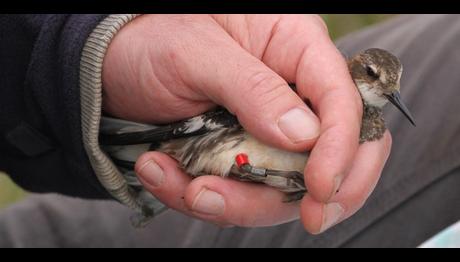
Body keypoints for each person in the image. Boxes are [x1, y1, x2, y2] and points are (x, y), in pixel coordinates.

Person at [0, 14, 459, 247]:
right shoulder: (311, 94)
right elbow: (205, 129)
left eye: (391, 87)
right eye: (375, 76)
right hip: (189, 144)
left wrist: (91, 61)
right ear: (360, 70)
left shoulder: (365, 122)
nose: (386, 92)